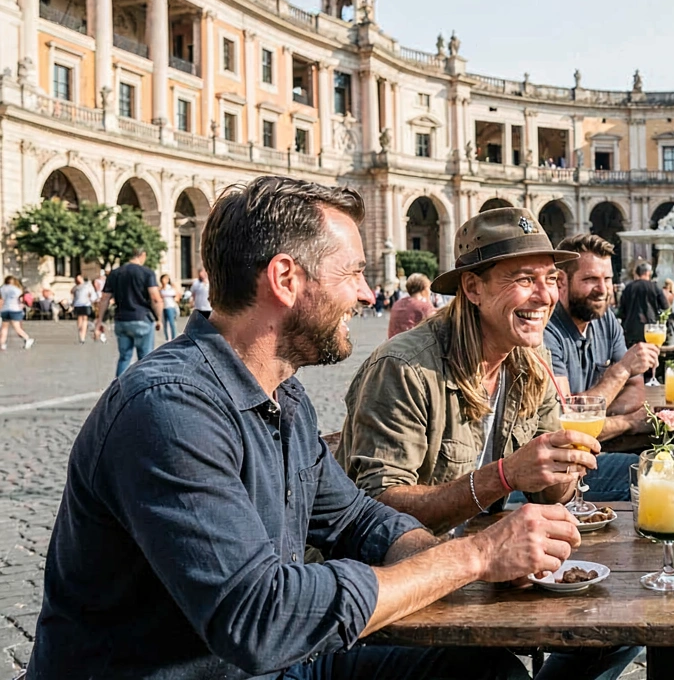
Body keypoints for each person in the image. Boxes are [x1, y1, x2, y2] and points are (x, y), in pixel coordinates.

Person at [32, 176, 561, 679]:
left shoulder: (285, 396)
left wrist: (481, 560)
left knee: (485, 672)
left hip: (279, 666)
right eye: (352, 273)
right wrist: (474, 555)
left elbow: (357, 520)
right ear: (286, 279)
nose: (365, 294)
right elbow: (260, 619)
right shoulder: (168, 410)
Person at [337, 209, 634, 680]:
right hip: (393, 594)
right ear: (472, 289)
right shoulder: (406, 368)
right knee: (496, 673)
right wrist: (504, 476)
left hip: (485, 571)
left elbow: (547, 493)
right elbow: (375, 509)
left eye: (551, 278)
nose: (545, 295)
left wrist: (564, 469)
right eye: (523, 278)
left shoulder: (528, 361)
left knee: (620, 623)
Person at [545, 233, 657, 488]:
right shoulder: (547, 331)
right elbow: (566, 423)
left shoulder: (604, 319)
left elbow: (636, 388)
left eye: (607, 279)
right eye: (590, 279)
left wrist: (597, 419)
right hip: (555, 473)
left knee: (672, 466)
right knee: (652, 477)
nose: (603, 289)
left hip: (592, 454)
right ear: (561, 281)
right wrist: (627, 421)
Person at [94, 249, 163, 376]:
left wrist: (99, 321)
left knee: (124, 357)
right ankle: (143, 389)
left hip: (121, 320)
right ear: (142, 255)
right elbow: (155, 298)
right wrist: (159, 318)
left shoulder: (115, 273)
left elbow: (104, 299)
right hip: (142, 318)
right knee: (145, 358)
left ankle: (119, 390)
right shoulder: (147, 273)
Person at [618, 261, 667, 349]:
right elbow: (665, 306)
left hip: (631, 328)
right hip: (651, 329)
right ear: (648, 273)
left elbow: (621, 311)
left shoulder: (628, 288)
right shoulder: (654, 287)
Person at [386, 272, 436, 338]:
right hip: (413, 345)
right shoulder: (424, 307)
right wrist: (428, 299)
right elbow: (436, 325)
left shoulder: (397, 303)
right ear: (425, 288)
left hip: (393, 343)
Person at [0, 276, 34, 350]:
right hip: (14, 309)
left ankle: (2, 344)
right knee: (17, 328)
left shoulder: (2, 289)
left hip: (5, 309)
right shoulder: (17, 289)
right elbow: (21, 299)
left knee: (4, 328)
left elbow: (1, 300)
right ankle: (27, 339)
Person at [69, 274, 97, 344]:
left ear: (82, 278)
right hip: (78, 304)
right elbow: (72, 293)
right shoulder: (76, 287)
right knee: (79, 318)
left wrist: (92, 299)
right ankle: (80, 332)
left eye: (79, 278)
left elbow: (92, 293)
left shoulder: (87, 286)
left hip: (86, 304)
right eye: (77, 279)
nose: (78, 280)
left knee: (85, 318)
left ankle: (83, 336)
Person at [159, 274, 180, 341]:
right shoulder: (160, 289)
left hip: (170, 306)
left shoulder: (170, 288)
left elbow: (177, 296)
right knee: (165, 324)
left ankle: (174, 337)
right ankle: (167, 338)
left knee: (172, 323)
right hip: (163, 308)